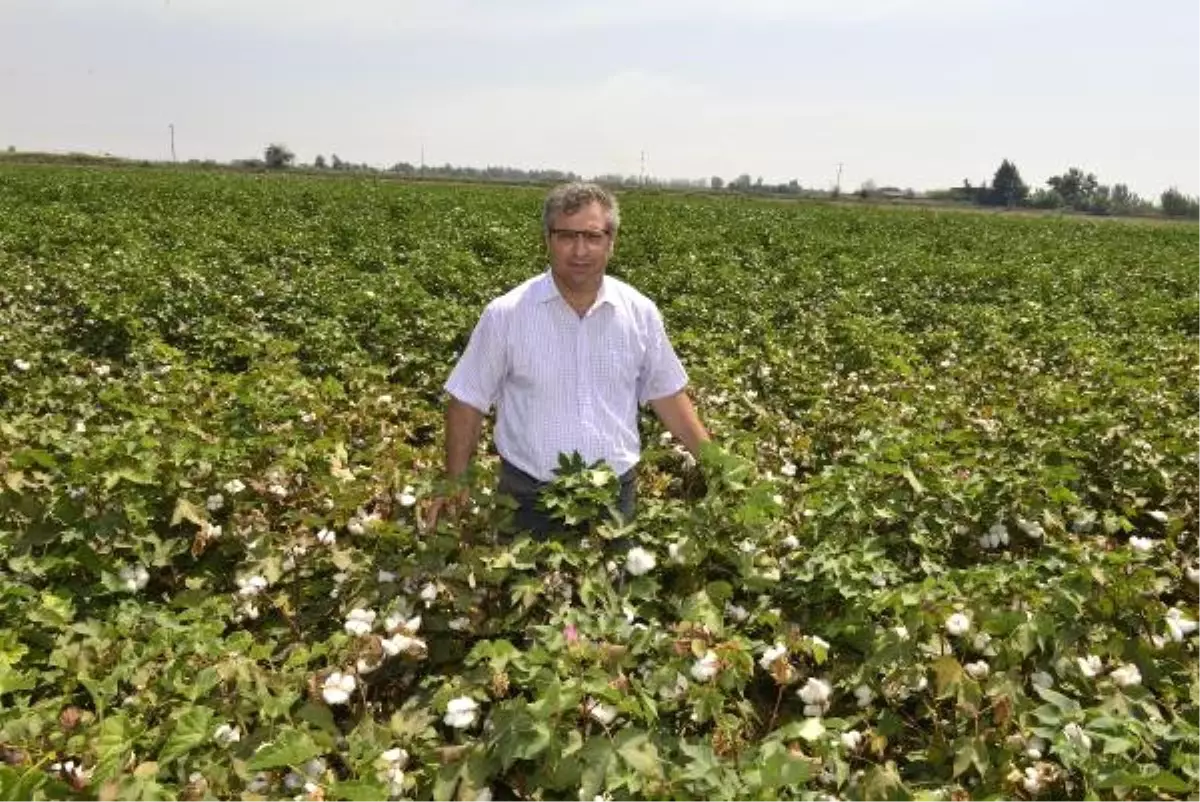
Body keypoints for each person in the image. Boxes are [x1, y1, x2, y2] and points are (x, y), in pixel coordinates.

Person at [427, 182, 709, 537]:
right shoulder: (506, 314)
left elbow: (667, 394)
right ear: (547, 239)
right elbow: (467, 400)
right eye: (566, 236)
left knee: (614, 591)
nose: (579, 250)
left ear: (611, 241)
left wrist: (719, 468)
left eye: (592, 237)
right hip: (528, 500)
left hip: (613, 501)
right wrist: (454, 480)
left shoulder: (639, 312)